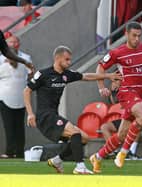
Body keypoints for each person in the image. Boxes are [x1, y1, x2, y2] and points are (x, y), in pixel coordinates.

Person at [90, 21, 142, 173]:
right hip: (127, 92)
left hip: (141, 94)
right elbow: (100, 67)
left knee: (121, 135)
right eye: (134, 35)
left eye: (139, 36)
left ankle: (98, 156)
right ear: (126, 34)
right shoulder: (117, 52)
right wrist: (101, 87)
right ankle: (123, 153)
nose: (137, 39)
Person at [23, 45, 121, 174]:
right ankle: (80, 167)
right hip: (45, 117)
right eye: (67, 59)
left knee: (84, 138)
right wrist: (30, 114)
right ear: (58, 58)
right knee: (75, 133)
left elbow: (86, 76)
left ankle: (57, 160)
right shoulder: (43, 74)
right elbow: (27, 90)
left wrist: (108, 76)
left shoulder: (66, 75)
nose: (70, 62)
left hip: (54, 115)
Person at [0, 36, 33, 158]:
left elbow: (31, 74)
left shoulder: (25, 59)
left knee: (19, 126)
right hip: (4, 97)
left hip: (21, 98)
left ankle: (19, 151)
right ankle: (9, 151)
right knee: (8, 125)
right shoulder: (1, 61)